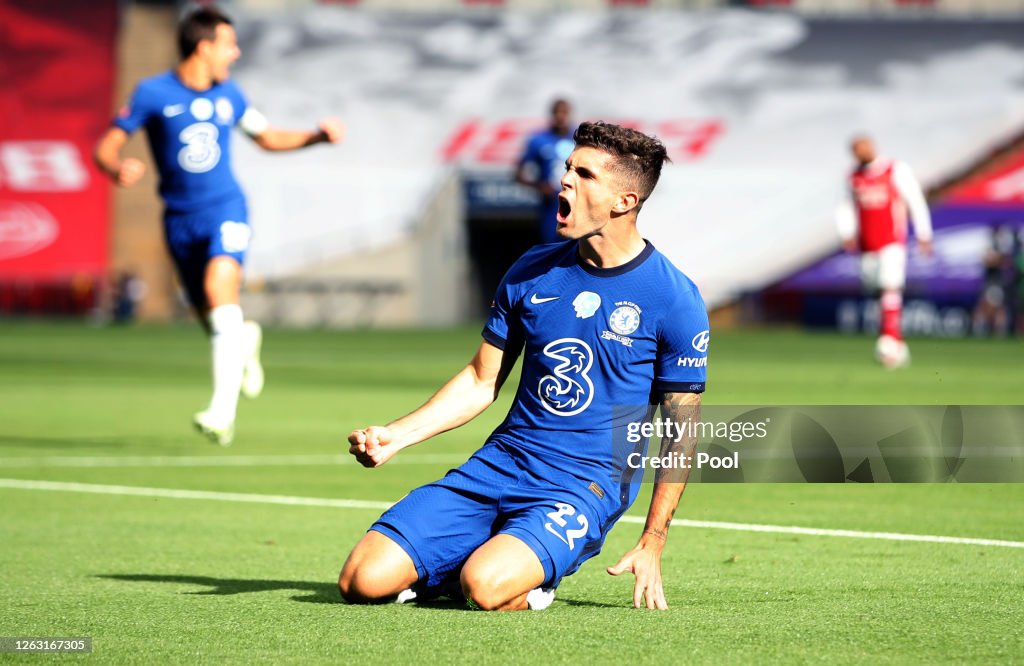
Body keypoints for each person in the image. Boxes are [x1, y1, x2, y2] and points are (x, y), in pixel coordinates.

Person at [340, 122, 709, 611]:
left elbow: (681, 431)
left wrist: (653, 540)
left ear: (625, 201)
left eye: (585, 174)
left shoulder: (674, 298)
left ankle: (523, 581)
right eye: (567, 169)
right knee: (361, 581)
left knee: (486, 586)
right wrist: (398, 435)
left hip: (583, 485)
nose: (565, 182)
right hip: (499, 465)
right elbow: (479, 379)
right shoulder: (532, 268)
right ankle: (466, 565)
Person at [94, 6, 343, 445]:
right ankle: (245, 337)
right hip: (179, 219)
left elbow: (267, 138)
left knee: (217, 287)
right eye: (229, 43)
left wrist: (316, 137)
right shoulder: (152, 93)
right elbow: (107, 146)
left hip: (226, 209)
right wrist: (114, 168)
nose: (235, 52)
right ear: (204, 46)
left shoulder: (230, 95)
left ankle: (221, 412)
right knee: (212, 317)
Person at [835, 135, 932, 368]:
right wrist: (846, 232)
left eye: (863, 148)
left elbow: (915, 200)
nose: (860, 153)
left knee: (890, 286)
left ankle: (888, 343)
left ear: (872, 147)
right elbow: (846, 205)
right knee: (877, 291)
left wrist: (924, 233)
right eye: (856, 150)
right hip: (867, 245)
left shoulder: (895, 169)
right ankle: (897, 342)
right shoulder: (853, 177)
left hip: (891, 241)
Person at [515, 99, 576, 245]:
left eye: (564, 112)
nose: (560, 116)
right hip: (551, 206)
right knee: (550, 247)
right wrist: (539, 186)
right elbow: (518, 173)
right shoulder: (538, 140)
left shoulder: (579, 138)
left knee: (577, 249)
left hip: (577, 204)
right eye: (557, 112)